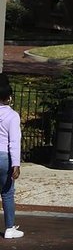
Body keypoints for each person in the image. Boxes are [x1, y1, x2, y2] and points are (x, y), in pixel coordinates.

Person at [0, 74, 19, 239]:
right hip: (4, 156)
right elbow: (14, 142)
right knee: (7, 192)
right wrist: (16, 164)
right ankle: (10, 227)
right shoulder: (12, 116)